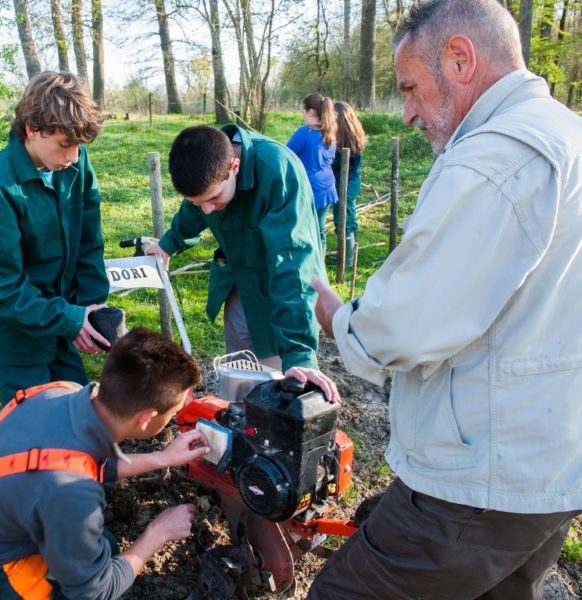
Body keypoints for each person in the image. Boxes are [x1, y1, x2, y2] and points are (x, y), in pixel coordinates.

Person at [307, 1, 582, 598]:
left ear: (460, 58)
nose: (406, 113)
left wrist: (335, 314)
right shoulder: (568, 133)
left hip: (478, 480)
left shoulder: (495, 158)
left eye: (410, 88)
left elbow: (401, 326)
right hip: (551, 461)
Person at [0, 327, 210, 599]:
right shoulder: (73, 491)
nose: (173, 417)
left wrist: (163, 458)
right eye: (173, 412)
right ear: (146, 417)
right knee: (104, 572)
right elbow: (95, 591)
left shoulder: (64, 391)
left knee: (106, 548)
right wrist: (159, 532)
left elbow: (79, 463)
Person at [145, 124, 339, 401]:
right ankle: (241, 423)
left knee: (280, 380)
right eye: (199, 202)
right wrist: (168, 244)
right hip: (238, 278)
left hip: (279, 287)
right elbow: (194, 210)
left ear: (234, 166)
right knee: (242, 371)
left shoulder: (277, 173)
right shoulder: (207, 169)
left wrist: (299, 354)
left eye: (213, 198)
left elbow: (294, 266)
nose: (207, 209)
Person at [0, 71, 110, 403]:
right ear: (32, 129)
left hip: (61, 325)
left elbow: (89, 239)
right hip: (15, 337)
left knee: (75, 411)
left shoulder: (75, 164)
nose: (73, 157)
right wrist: (71, 319)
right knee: (35, 431)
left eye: (79, 147)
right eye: (64, 145)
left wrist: (89, 307)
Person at [286, 94, 338, 252]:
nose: (303, 115)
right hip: (327, 185)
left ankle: (309, 262)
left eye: (304, 111)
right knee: (319, 228)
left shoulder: (304, 133)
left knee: (305, 229)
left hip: (310, 188)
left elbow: (286, 154)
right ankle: (319, 263)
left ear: (310, 112)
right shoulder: (330, 132)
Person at [330, 101, 367, 269]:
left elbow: (339, 164)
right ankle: (349, 255)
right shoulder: (353, 134)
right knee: (349, 216)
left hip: (345, 182)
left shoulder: (346, 139)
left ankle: (347, 260)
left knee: (343, 218)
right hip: (350, 181)